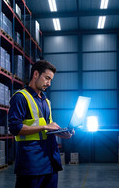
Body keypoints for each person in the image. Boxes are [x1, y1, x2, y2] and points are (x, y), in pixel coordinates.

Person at [9, 60, 73, 188]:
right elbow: (15, 128)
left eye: (51, 80)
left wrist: (61, 133)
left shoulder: (46, 101)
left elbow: (47, 129)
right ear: (36, 74)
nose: (49, 83)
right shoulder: (20, 97)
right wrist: (44, 127)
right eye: (47, 78)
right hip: (32, 163)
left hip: (50, 162)